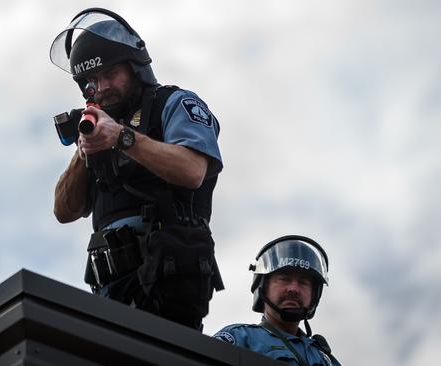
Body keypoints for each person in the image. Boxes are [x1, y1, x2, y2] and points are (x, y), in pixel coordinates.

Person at [50, 8, 224, 331]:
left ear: (135, 67)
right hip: (107, 299)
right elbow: (63, 210)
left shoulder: (173, 104)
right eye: (91, 81)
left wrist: (122, 138)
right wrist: (83, 147)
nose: (100, 87)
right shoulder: (99, 127)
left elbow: (193, 170)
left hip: (168, 291)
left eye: (109, 73)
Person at [214, 235, 341, 365]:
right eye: (284, 279)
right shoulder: (239, 338)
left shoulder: (326, 359)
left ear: (315, 295)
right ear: (263, 287)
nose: (294, 289)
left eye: (303, 282)